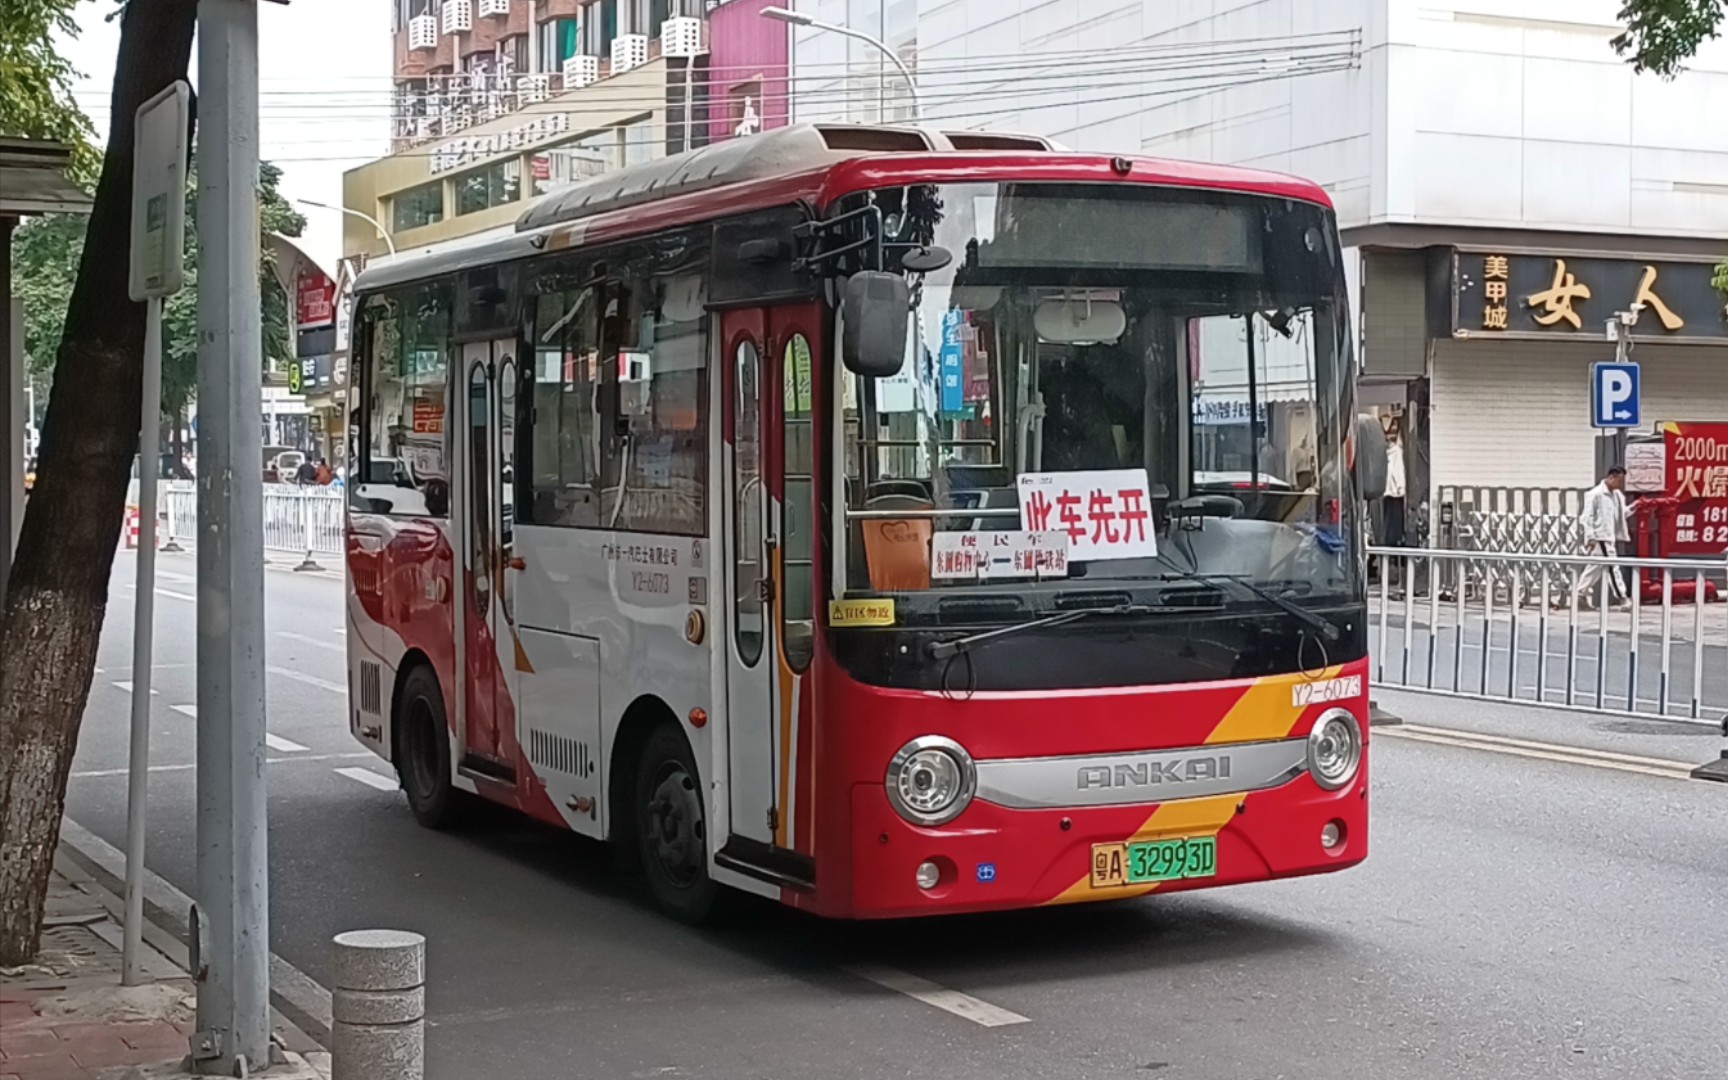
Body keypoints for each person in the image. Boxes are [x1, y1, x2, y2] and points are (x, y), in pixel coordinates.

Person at [1572, 465, 1631, 609]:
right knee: (1612, 566)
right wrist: (1590, 536)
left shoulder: (1617, 496)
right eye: (1619, 480)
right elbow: (1587, 517)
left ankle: (1580, 594)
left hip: (1608, 536)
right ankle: (1622, 597)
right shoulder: (1595, 494)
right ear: (1611, 477)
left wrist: (1635, 507)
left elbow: (1622, 514)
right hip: (1601, 536)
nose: (1621, 484)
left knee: (1595, 567)